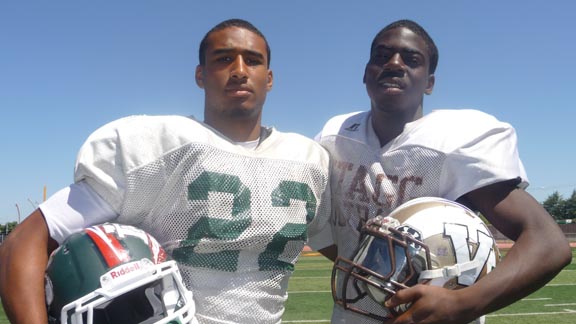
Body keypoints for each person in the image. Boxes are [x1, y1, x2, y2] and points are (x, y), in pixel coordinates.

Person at [0, 18, 331, 324]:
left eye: (253, 60)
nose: (240, 70)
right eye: (223, 59)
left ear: (269, 78)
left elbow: (336, 244)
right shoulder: (156, 147)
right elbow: (24, 241)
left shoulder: (309, 159)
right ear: (200, 75)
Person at [314, 19, 572, 324]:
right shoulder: (336, 136)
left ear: (430, 83)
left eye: (411, 59)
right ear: (366, 72)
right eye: (382, 56)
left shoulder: (456, 141)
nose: (394, 64)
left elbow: (548, 243)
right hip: (351, 314)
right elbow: (329, 236)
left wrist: (462, 303)